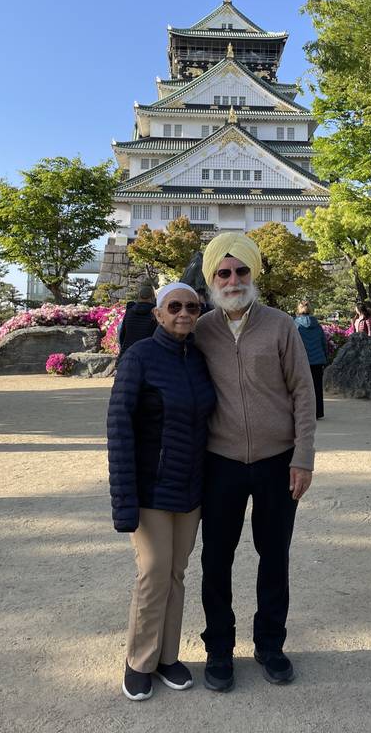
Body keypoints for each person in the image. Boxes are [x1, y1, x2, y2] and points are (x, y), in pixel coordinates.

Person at [195, 233, 316, 692]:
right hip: (220, 461)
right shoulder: (202, 329)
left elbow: (303, 393)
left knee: (274, 556)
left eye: (241, 271)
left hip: (277, 460)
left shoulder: (281, 325)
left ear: (253, 274)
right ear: (212, 279)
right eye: (223, 273)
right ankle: (219, 649)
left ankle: (270, 644)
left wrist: (302, 456)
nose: (233, 280)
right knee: (216, 558)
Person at [107, 282, 215, 702]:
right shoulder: (139, 358)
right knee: (153, 573)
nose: (184, 313)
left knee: (176, 574)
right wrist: (123, 501)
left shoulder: (199, 359)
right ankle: (139, 660)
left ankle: (168, 656)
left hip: (190, 488)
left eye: (192, 306)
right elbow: (118, 429)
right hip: (151, 487)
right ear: (157, 313)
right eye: (174, 307)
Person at [294, 301, 329, 420]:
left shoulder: (295, 325)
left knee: (301, 388)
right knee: (317, 387)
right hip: (318, 360)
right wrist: (325, 357)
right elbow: (323, 342)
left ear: (298, 310)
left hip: (301, 361)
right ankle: (318, 412)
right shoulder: (317, 325)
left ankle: (303, 412)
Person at [118, 284, 157, 358]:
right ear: (152, 297)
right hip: (147, 355)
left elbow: (122, 334)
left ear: (139, 296)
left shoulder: (129, 312)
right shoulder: (155, 313)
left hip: (127, 354)